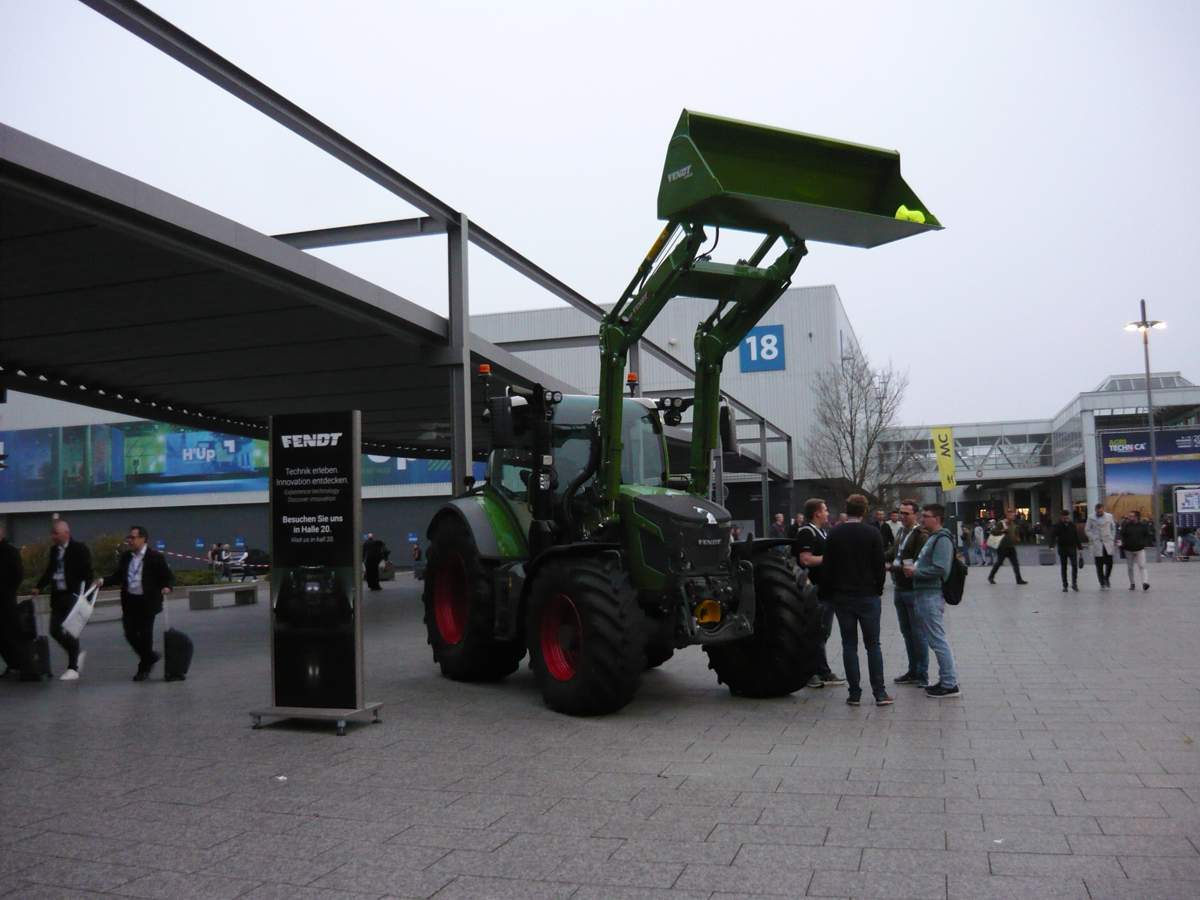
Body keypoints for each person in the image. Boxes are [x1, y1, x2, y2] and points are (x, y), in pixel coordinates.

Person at [822, 494, 891, 707]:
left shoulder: (834, 533)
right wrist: (878, 589)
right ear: (864, 511)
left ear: (847, 509)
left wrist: (830, 592)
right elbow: (879, 566)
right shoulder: (872, 533)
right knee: (873, 645)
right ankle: (879, 692)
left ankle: (854, 693)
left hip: (843, 597)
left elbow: (828, 567)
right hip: (868, 595)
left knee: (849, 645)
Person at [97, 526, 174, 681]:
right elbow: (118, 576)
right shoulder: (126, 557)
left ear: (143, 539)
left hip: (147, 601)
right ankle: (150, 657)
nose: (130, 541)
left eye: (133, 537)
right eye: (129, 537)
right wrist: (102, 581)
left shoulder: (155, 557)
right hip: (130, 601)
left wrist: (167, 587)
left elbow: (167, 576)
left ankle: (144, 668)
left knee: (145, 636)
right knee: (130, 633)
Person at [906, 503, 960, 698]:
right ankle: (946, 680)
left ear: (936, 519)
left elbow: (941, 569)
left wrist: (916, 572)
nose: (922, 519)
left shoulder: (942, 539)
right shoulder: (933, 538)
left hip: (931, 594)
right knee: (935, 639)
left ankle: (949, 683)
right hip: (924, 594)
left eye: (926, 516)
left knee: (938, 640)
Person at [793, 498, 846, 689]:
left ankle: (819, 670)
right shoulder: (807, 532)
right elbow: (806, 560)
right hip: (815, 591)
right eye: (825, 510)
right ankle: (814, 672)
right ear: (816, 513)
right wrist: (830, 558)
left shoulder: (821, 532)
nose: (827, 513)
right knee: (816, 632)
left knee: (822, 632)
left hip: (826, 591)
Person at [32, 519, 93, 680]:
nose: (53, 536)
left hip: (73, 595)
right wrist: (39, 586)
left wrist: (85, 596)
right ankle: (76, 654)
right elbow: (50, 570)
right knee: (54, 630)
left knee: (71, 630)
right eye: (52, 533)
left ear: (66, 533)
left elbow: (88, 574)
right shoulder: (54, 550)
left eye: (56, 533)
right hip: (58, 595)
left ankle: (73, 668)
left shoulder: (79, 549)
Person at [890, 499, 929, 688]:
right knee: (907, 632)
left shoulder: (920, 534)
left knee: (918, 633)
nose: (902, 516)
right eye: (901, 513)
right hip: (899, 587)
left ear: (916, 515)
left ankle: (922, 674)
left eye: (907, 513)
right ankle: (912, 670)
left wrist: (893, 567)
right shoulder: (900, 531)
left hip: (913, 589)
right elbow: (894, 553)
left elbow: (918, 562)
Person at [0, 522, 37, 680]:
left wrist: (8, 590)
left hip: (6, 599)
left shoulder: (10, 551)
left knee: (9, 633)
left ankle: (19, 665)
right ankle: (13, 664)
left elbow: (17, 573)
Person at [987, 510, 1028, 585]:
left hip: (1011, 547)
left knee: (1015, 564)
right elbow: (993, 532)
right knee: (999, 563)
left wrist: (1017, 538)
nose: (1013, 516)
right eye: (1011, 515)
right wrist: (1002, 531)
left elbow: (1016, 535)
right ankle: (991, 577)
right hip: (1002, 547)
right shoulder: (1001, 523)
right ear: (1007, 515)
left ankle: (1019, 580)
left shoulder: (1014, 524)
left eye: (1013, 515)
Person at [1119, 510, 1152, 591]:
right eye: (1129, 516)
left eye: (1132, 516)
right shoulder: (1126, 525)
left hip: (1140, 549)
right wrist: (1122, 543)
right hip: (1128, 549)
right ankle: (1132, 583)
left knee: (1142, 566)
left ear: (1136, 517)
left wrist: (1145, 543)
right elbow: (1121, 534)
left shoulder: (1143, 525)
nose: (1130, 517)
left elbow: (1147, 534)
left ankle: (1145, 583)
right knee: (1130, 567)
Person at [1085, 503, 1116, 588]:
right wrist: (1093, 537)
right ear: (1095, 510)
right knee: (1099, 564)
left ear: (1103, 509)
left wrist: (1112, 538)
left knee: (1110, 562)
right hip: (1097, 543)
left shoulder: (1109, 516)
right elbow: (1087, 530)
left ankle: (1107, 578)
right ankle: (1101, 581)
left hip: (1108, 542)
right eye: (1098, 512)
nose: (1100, 513)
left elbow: (1113, 528)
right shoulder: (1090, 517)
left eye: (1101, 511)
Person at [1050, 509, 1081, 592]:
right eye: (1064, 517)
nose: (1066, 519)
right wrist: (1052, 546)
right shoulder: (1057, 525)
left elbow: (1076, 537)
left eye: (1067, 517)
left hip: (1072, 548)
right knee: (1064, 567)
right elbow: (1053, 536)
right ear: (1061, 517)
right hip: (1062, 548)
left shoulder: (1072, 525)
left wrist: (1080, 547)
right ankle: (1065, 585)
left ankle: (1074, 583)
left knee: (1074, 565)